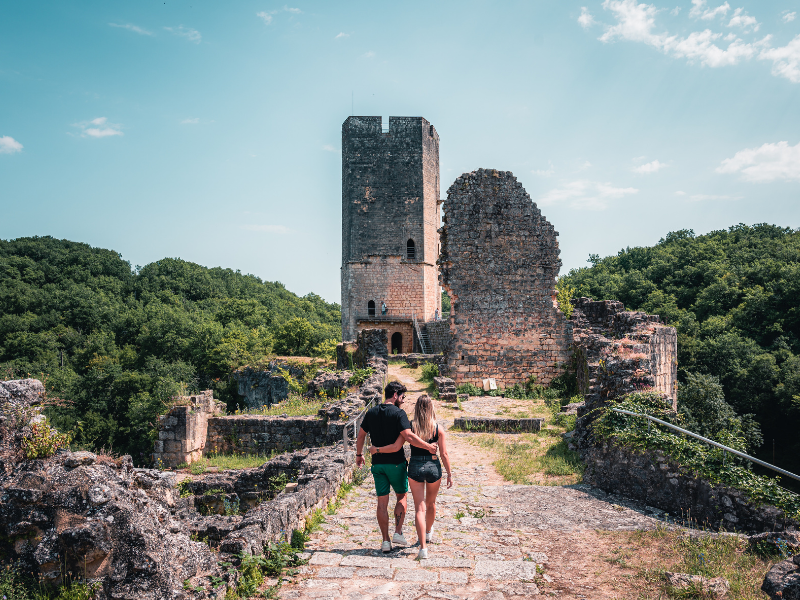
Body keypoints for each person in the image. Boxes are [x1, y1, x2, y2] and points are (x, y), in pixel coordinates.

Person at [355, 382, 438, 553]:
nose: (403, 400)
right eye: (402, 397)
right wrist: (428, 447)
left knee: (381, 503)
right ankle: (397, 532)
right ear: (395, 395)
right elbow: (408, 436)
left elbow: (361, 434)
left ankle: (385, 541)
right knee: (401, 496)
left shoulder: (371, 412)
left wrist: (359, 454)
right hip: (396, 464)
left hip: (377, 464)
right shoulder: (399, 414)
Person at [369, 394, 452, 559]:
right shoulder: (438, 428)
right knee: (431, 503)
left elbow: (397, 445)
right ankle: (428, 532)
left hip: (415, 467)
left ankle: (423, 549)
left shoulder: (411, 427)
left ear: (416, 409)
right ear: (431, 409)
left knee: (419, 508)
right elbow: (444, 453)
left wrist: (377, 449)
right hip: (433, 467)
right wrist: (449, 473)